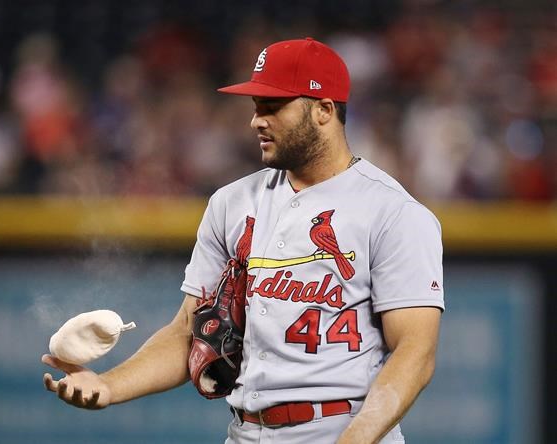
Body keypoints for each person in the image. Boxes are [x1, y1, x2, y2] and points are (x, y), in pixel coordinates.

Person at [42, 37, 444, 444]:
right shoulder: (231, 204)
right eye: (255, 106)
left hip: (343, 427)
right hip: (246, 432)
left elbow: (416, 352)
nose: (256, 120)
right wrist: (108, 386)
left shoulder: (394, 212)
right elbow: (187, 329)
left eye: (273, 106)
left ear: (324, 110)